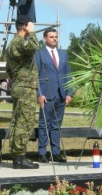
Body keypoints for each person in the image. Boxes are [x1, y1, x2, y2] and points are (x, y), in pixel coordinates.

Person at [35, 28, 74, 163]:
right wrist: (39, 94)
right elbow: (36, 75)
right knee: (44, 124)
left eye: (56, 36)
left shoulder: (63, 54)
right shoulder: (39, 54)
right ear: (45, 38)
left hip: (61, 95)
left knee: (57, 125)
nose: (54, 39)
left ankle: (56, 152)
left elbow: (68, 74)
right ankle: (41, 153)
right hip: (46, 95)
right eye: (51, 37)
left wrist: (70, 93)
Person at [6, 15, 39, 169]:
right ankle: (19, 156)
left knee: (18, 121)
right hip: (25, 87)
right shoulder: (19, 42)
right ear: (25, 26)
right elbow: (34, 47)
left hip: (20, 85)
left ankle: (17, 155)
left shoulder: (13, 43)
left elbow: (8, 69)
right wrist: (32, 33)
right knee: (24, 122)